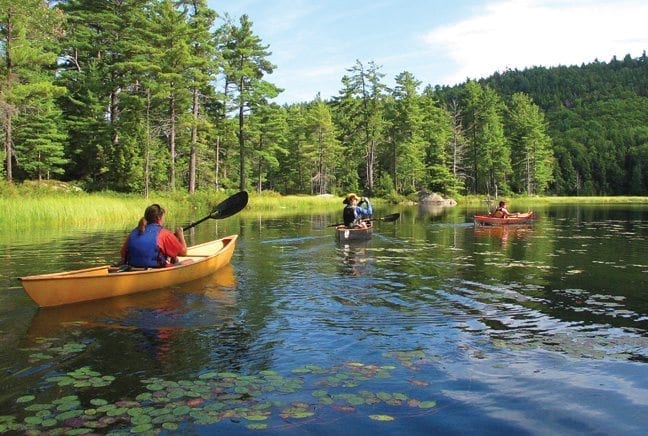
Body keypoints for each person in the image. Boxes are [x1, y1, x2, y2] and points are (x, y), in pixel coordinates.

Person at [120, 204, 187, 268]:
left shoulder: (133, 232)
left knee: (174, 259)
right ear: (158, 218)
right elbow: (183, 252)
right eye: (163, 218)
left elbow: (123, 254)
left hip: (133, 267)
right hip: (155, 269)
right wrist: (180, 235)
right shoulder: (164, 234)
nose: (164, 220)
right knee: (189, 261)